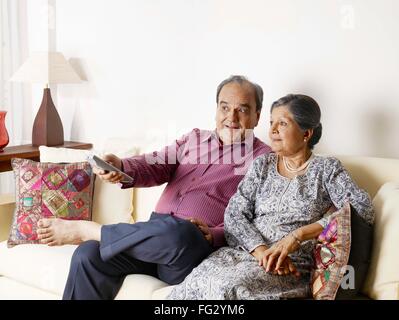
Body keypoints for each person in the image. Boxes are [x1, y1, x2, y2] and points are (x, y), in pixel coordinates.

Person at [36, 75, 271, 300]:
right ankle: (95, 236)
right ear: (216, 109)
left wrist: (215, 234)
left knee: (181, 232)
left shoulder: (264, 160)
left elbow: (261, 219)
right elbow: (154, 164)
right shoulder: (194, 139)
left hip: (189, 247)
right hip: (153, 235)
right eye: (225, 107)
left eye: (242, 109)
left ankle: (93, 230)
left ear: (257, 116)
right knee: (88, 254)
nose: (232, 116)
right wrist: (119, 165)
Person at [167, 94, 375, 300]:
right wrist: (261, 251)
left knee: (228, 287)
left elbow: (362, 208)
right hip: (246, 253)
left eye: (282, 123)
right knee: (196, 281)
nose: (273, 130)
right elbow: (235, 212)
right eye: (271, 122)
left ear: (306, 134)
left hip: (288, 263)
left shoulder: (326, 169)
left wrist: (298, 236)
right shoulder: (262, 165)